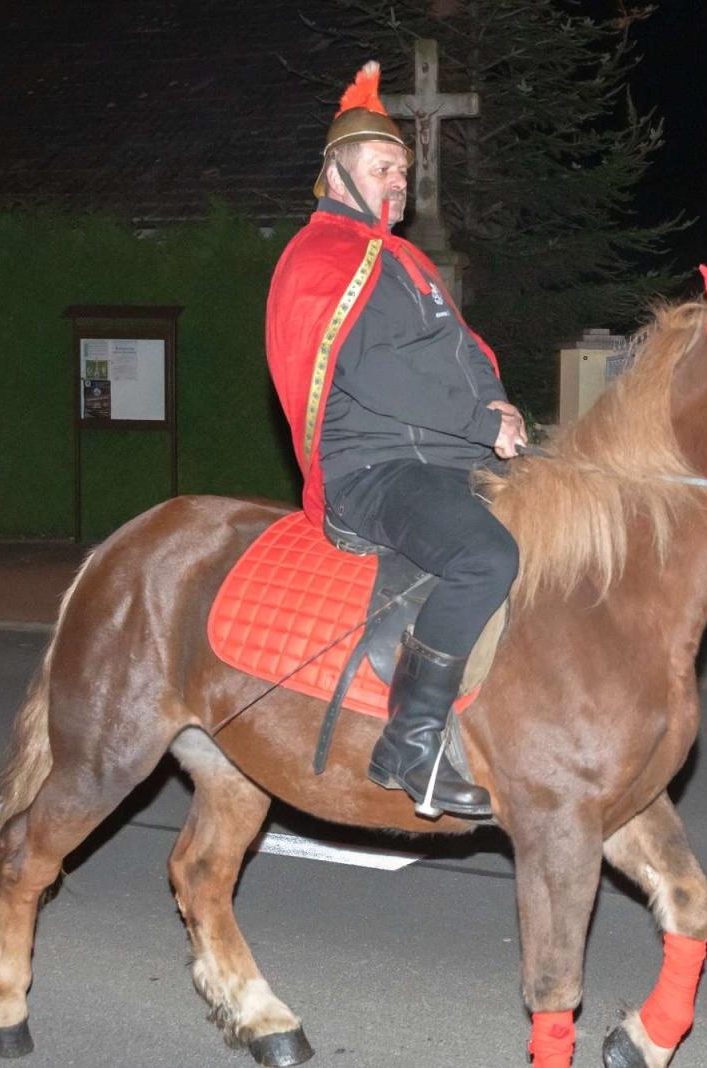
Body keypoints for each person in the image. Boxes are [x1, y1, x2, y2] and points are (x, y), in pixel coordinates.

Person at [265, 62, 527, 820]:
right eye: (383, 166)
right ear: (335, 172)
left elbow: (465, 349)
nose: (397, 182)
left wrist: (499, 410)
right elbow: (371, 372)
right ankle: (410, 740)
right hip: (375, 469)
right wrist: (478, 423)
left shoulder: (404, 260)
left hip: (445, 455)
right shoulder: (318, 259)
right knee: (486, 557)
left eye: (403, 170)